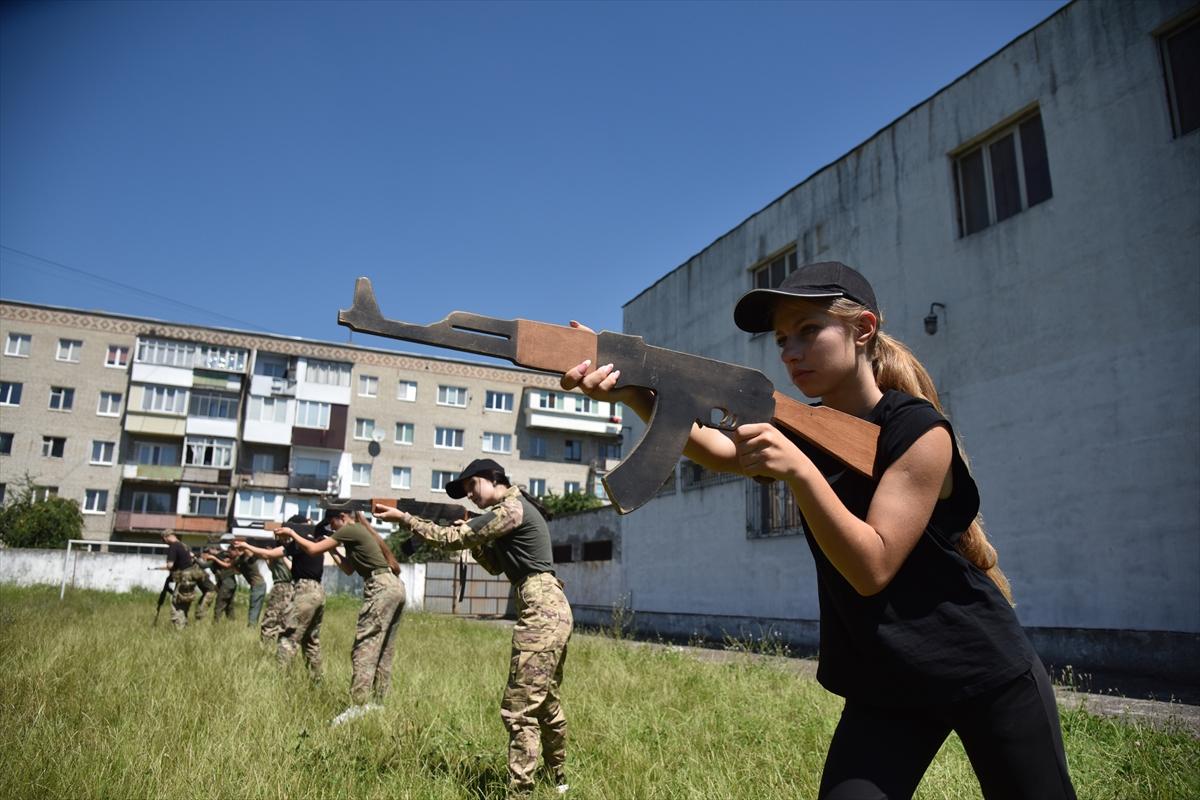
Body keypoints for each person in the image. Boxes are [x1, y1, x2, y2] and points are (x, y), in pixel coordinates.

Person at [563, 261, 1076, 800]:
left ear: (863, 329)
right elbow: (714, 448)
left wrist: (801, 471)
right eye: (783, 338)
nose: (790, 351)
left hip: (983, 669)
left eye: (809, 330)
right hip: (889, 679)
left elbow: (871, 567)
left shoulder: (919, 431)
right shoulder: (805, 426)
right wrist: (632, 390)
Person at [375, 458, 573, 796]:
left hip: (541, 608)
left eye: (471, 486)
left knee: (518, 709)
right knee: (545, 702)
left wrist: (406, 520)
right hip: (548, 604)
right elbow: (496, 566)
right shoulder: (512, 511)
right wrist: (478, 540)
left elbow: (451, 538)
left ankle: (520, 792)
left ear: (490, 478)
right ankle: (560, 780)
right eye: (466, 492)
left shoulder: (511, 508)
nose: (470, 495)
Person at [276, 502, 404, 724]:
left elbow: (313, 549)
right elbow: (348, 569)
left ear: (342, 517)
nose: (332, 529)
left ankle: (359, 704)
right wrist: (333, 547)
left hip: (380, 587)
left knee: (364, 647)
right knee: (383, 650)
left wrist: (292, 534)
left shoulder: (350, 529)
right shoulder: (359, 531)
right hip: (394, 586)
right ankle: (379, 703)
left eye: (332, 523)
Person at [152, 531, 206, 630]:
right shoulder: (184, 545)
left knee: (176, 603)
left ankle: (179, 628)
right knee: (184, 602)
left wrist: (167, 566)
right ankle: (184, 625)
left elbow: (170, 565)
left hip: (184, 578)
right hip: (191, 577)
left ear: (166, 537)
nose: (164, 542)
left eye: (163, 540)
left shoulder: (173, 546)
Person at [233, 545, 268, 627]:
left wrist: (244, 547)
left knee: (254, 606)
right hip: (256, 585)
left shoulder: (248, 559)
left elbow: (250, 554)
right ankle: (252, 624)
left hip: (258, 585)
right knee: (254, 606)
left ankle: (252, 625)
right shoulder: (240, 560)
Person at [204, 545, 239, 622]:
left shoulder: (223, 556)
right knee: (229, 606)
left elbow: (203, 565)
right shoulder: (219, 558)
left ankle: (216, 623)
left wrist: (195, 559)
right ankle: (232, 623)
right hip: (229, 584)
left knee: (220, 604)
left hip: (227, 585)